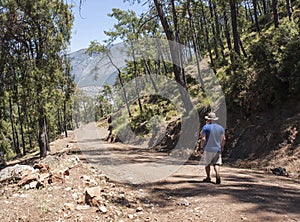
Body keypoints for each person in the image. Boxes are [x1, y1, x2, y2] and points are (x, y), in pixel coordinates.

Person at [199, 112, 225, 184]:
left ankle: (208, 177)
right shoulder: (220, 128)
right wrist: (222, 146)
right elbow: (223, 139)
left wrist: (201, 148)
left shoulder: (206, 127)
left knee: (207, 163)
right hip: (217, 148)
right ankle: (217, 174)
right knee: (217, 163)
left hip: (208, 149)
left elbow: (203, 139)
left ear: (209, 120)